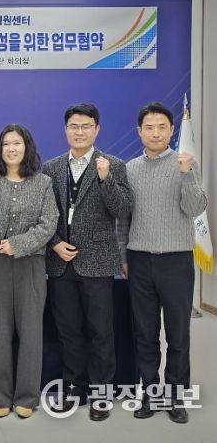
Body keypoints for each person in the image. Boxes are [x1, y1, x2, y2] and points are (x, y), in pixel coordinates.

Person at [118, 102, 207, 424]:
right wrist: (123, 257)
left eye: (162, 127)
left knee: (178, 336)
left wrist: (186, 175)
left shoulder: (185, 163)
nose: (155, 133)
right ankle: (150, 393)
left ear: (171, 131)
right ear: (139, 131)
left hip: (177, 262)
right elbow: (123, 219)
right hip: (139, 261)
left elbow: (196, 208)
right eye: (149, 127)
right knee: (145, 334)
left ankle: (176, 396)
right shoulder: (129, 168)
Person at [42, 103, 131, 421]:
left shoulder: (114, 165)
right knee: (69, 332)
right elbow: (44, 215)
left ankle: (101, 394)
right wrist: (54, 244)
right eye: (74, 126)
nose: (79, 132)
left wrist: (106, 180)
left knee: (101, 332)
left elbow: (122, 210)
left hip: (98, 262)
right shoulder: (51, 167)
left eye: (86, 126)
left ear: (97, 129)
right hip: (61, 263)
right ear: (65, 129)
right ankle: (74, 389)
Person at [0, 124, 58, 419]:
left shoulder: (43, 182)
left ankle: (26, 397)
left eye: (17, 143)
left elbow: (49, 224)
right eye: (6, 144)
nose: (11, 148)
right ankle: (0, 397)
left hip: (30, 262)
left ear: (27, 147)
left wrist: (18, 244)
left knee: (31, 331)